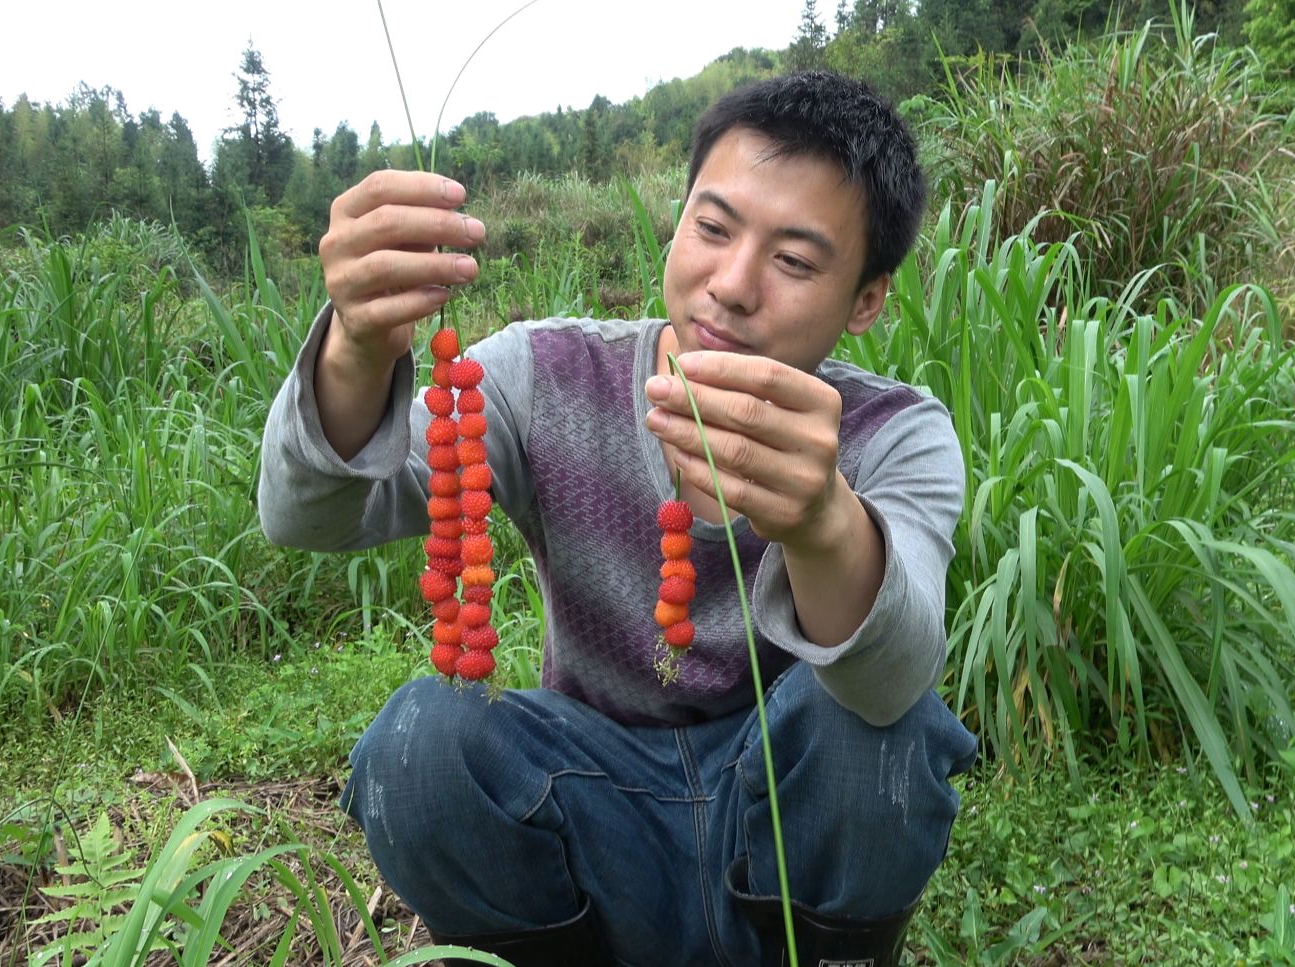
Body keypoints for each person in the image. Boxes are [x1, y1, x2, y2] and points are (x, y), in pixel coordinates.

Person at [259, 70, 978, 967]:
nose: (734, 284)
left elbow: (894, 681)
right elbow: (307, 516)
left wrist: (825, 519)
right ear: (676, 223)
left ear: (867, 299)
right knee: (421, 741)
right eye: (711, 229)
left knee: (875, 725)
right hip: (590, 792)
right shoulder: (544, 375)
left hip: (780, 808)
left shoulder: (892, 434)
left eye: (794, 260)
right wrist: (356, 346)